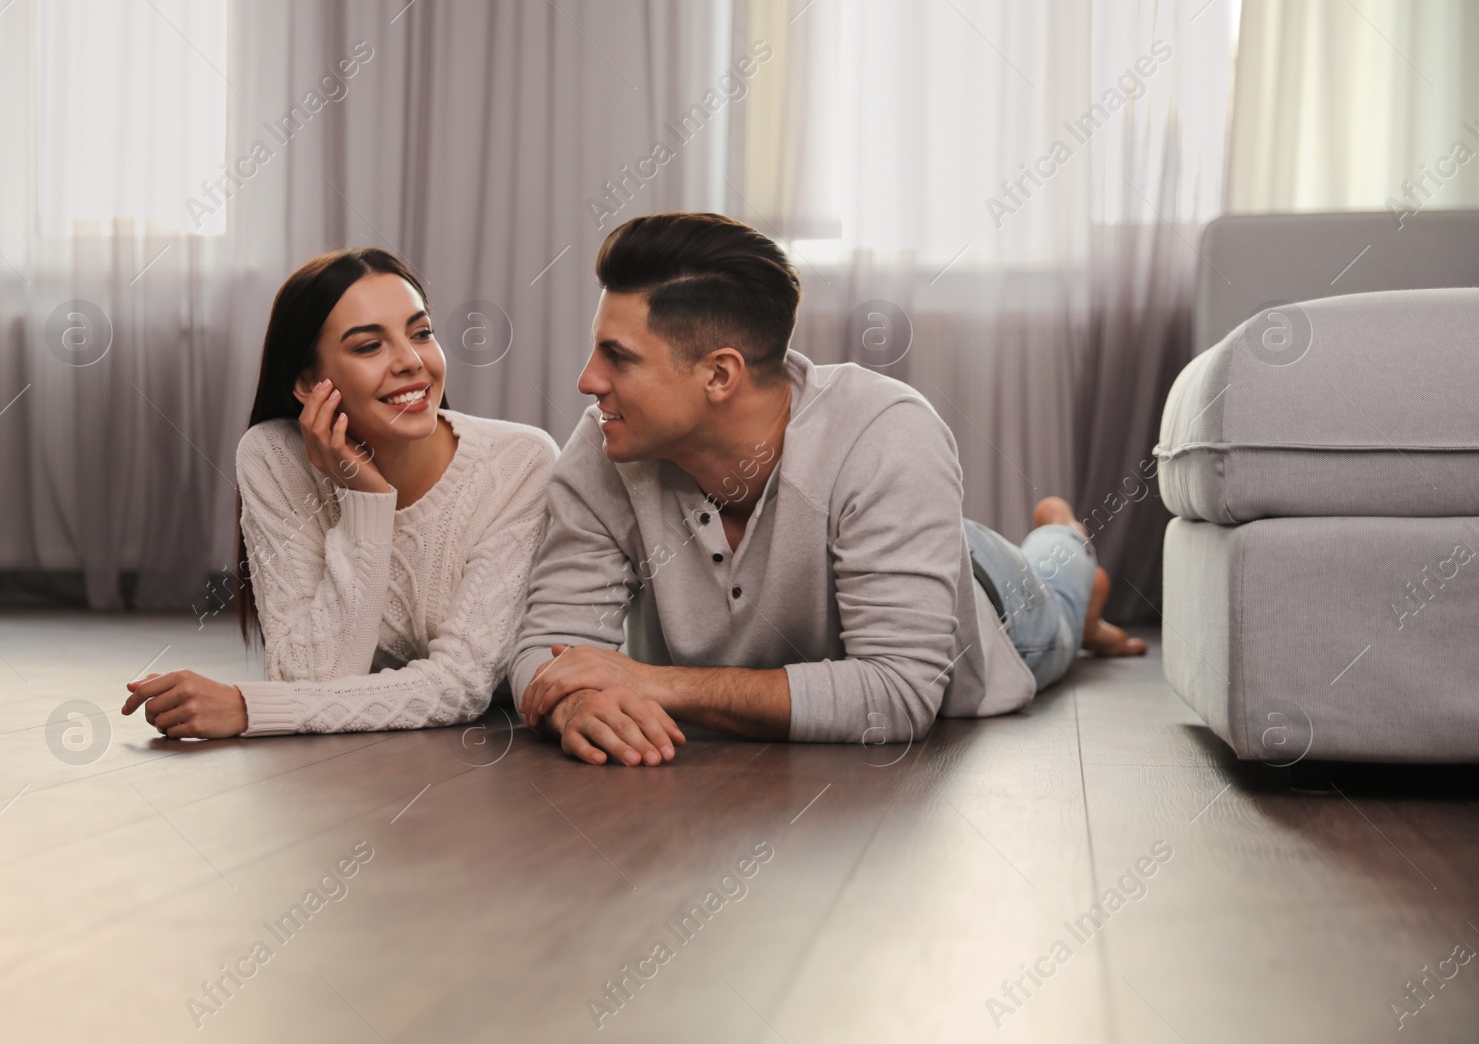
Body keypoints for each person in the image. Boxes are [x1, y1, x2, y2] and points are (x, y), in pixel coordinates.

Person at [510, 213, 1145, 767]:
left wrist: (657, 684)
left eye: (617, 357)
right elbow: (548, 646)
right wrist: (575, 706)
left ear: (719, 374)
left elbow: (898, 694)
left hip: (989, 597)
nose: (586, 381)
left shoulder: (889, 433)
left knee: (1057, 596)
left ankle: (1068, 547)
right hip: (892, 540)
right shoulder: (607, 443)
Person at [120, 248, 557, 738]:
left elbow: (461, 686)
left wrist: (250, 708)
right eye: (370, 346)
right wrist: (365, 501)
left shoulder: (519, 462)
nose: (412, 362)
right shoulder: (274, 455)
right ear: (308, 382)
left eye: (421, 333)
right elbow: (311, 675)